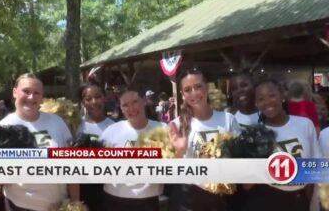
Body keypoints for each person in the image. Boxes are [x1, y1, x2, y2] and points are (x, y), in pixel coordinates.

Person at [0, 73, 79, 211]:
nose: (31, 97)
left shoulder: (57, 122)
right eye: (26, 91)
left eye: (36, 93)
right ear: (14, 92)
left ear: (42, 97)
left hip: (59, 205)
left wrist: (76, 203)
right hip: (20, 206)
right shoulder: (3, 127)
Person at [239, 78, 322, 211]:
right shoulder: (255, 134)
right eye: (261, 99)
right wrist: (259, 156)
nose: (267, 102)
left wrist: (313, 204)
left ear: (282, 96)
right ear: (256, 103)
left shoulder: (305, 124)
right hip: (268, 199)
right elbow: (247, 185)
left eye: (272, 95)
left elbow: (315, 169)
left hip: (300, 199)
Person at [168, 68, 240, 211]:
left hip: (221, 196)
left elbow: (239, 158)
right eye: (188, 90)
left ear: (207, 87)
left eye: (198, 86)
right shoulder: (177, 125)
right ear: (182, 95)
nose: (194, 93)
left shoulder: (228, 119)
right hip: (188, 197)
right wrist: (180, 151)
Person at [100, 87, 166, 211]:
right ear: (121, 108)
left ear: (144, 101)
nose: (131, 109)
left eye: (135, 102)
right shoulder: (111, 131)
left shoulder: (162, 129)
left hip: (149, 201)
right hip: (115, 200)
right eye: (125, 105)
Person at [77, 83, 115, 211]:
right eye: (88, 99)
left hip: (107, 190)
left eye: (98, 96)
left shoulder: (115, 127)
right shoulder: (75, 126)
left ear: (104, 98)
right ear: (82, 102)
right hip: (81, 190)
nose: (93, 102)